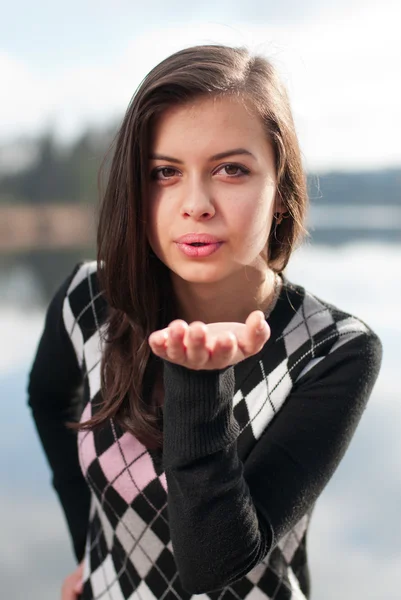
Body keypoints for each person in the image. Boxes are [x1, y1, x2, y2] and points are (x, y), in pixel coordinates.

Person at [27, 44, 382, 600]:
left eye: (230, 169)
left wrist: (198, 379)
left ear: (282, 192)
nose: (195, 203)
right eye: (164, 173)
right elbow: (47, 401)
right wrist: (86, 549)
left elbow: (213, 565)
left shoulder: (334, 351)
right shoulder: (89, 299)